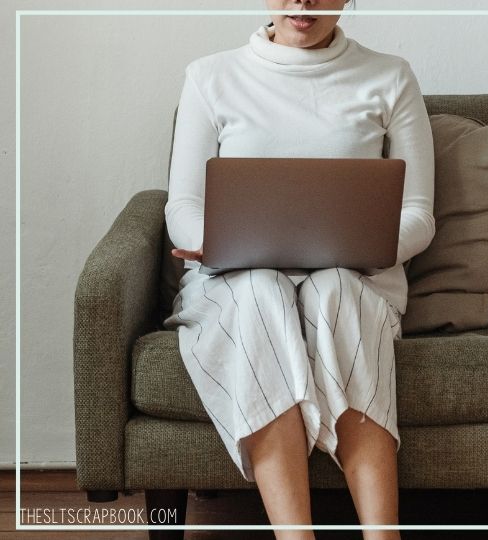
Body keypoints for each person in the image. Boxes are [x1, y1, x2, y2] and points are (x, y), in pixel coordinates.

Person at [164, 1, 434, 538]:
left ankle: (384, 534)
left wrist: (363, 246)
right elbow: (182, 208)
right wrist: (214, 242)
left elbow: (419, 214)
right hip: (237, 279)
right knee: (263, 293)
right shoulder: (210, 76)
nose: (304, 2)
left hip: (353, 275)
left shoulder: (390, 76)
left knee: (334, 291)